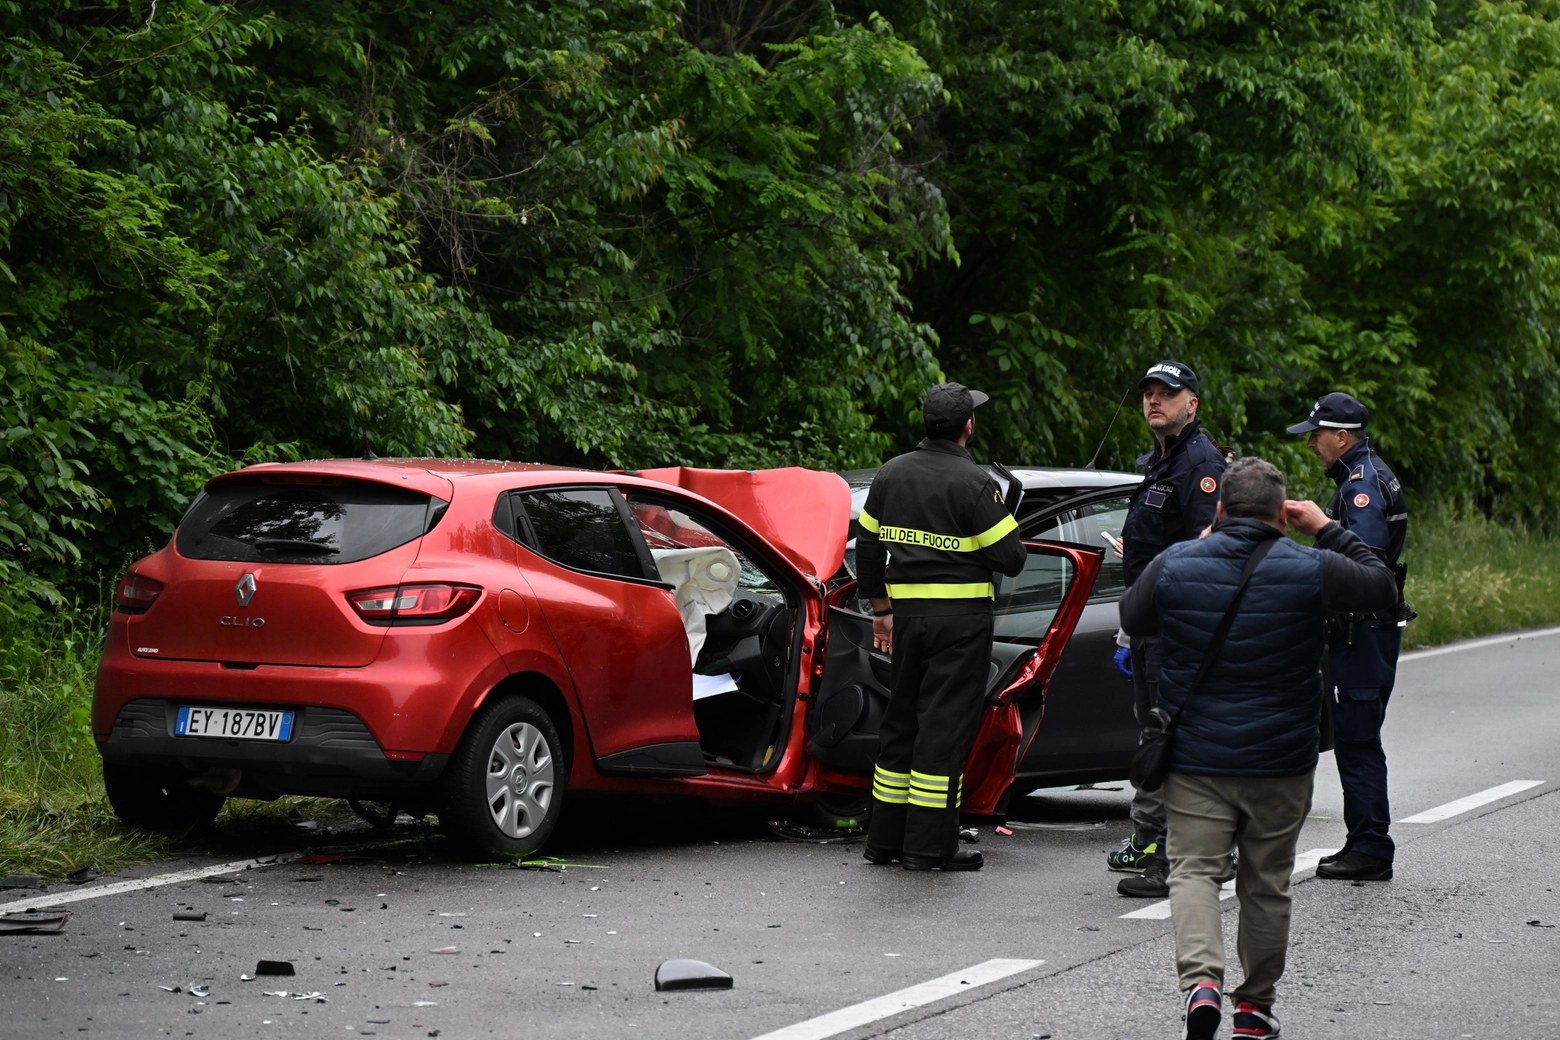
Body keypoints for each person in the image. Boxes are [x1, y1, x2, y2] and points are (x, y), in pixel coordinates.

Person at [1119, 457, 1397, 1040]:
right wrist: (1325, 526)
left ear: (1219, 509)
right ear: (1281, 515)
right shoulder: (1312, 566)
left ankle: (1200, 985)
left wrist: (1197, 545)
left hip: (1195, 757)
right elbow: (1382, 587)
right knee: (1266, 883)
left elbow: (1132, 613)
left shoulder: (1176, 563)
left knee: (1193, 871)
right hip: (1281, 760)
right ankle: (1253, 1008)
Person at [856, 383, 1028, 871]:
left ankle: (884, 841)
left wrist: (879, 607)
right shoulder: (975, 483)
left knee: (901, 723)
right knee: (943, 729)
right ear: (967, 427)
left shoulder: (891, 474)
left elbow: (867, 545)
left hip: (907, 621)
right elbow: (1011, 559)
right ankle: (929, 848)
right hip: (960, 626)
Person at [1110, 360, 1228, 898]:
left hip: (1177, 624)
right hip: (1151, 622)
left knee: (1176, 740)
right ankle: (1160, 844)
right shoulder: (1161, 461)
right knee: (1157, 735)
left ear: (1192, 404)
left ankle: (1187, 858)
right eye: (1149, 393)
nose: (1154, 401)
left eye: (1167, 393)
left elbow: (1207, 548)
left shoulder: (1199, 464)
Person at [1286, 392, 1409, 881]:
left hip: (1363, 629)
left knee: (1357, 740)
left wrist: (1321, 530)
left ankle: (1372, 847)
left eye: (1318, 434)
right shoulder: (1362, 476)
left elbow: (1367, 566)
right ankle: (1363, 840)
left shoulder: (1364, 486)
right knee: (1355, 738)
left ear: (1342, 436)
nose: (1312, 442)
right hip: (1359, 629)